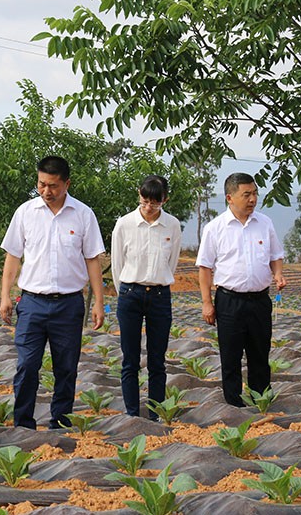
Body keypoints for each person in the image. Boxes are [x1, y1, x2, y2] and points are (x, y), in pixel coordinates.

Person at [0, 156, 106, 430]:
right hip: (32, 302)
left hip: (69, 304)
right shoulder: (25, 212)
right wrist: (5, 295)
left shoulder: (83, 214)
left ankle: (60, 422)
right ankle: (23, 424)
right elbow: (13, 256)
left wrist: (99, 301)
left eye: (53, 186)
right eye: (41, 184)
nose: (46, 191)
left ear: (67, 184)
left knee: (66, 367)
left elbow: (93, 259)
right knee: (27, 365)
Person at [197, 172, 286, 407]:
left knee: (260, 354)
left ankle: (261, 400)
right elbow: (205, 268)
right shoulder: (215, 228)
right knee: (231, 356)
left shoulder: (265, 223)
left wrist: (278, 274)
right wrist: (207, 303)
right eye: (246, 194)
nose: (252, 199)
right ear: (230, 197)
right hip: (229, 301)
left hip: (260, 300)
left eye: (255, 193)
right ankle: (234, 405)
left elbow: (276, 256)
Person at [110, 175, 181, 419]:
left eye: (154, 202)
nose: (148, 207)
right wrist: (125, 291)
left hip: (160, 295)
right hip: (130, 293)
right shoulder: (124, 224)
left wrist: (158, 280)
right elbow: (117, 264)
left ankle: (155, 414)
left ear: (164, 200)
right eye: (144, 201)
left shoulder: (172, 225)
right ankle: (132, 414)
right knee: (130, 359)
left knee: (157, 360)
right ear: (139, 195)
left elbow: (172, 262)